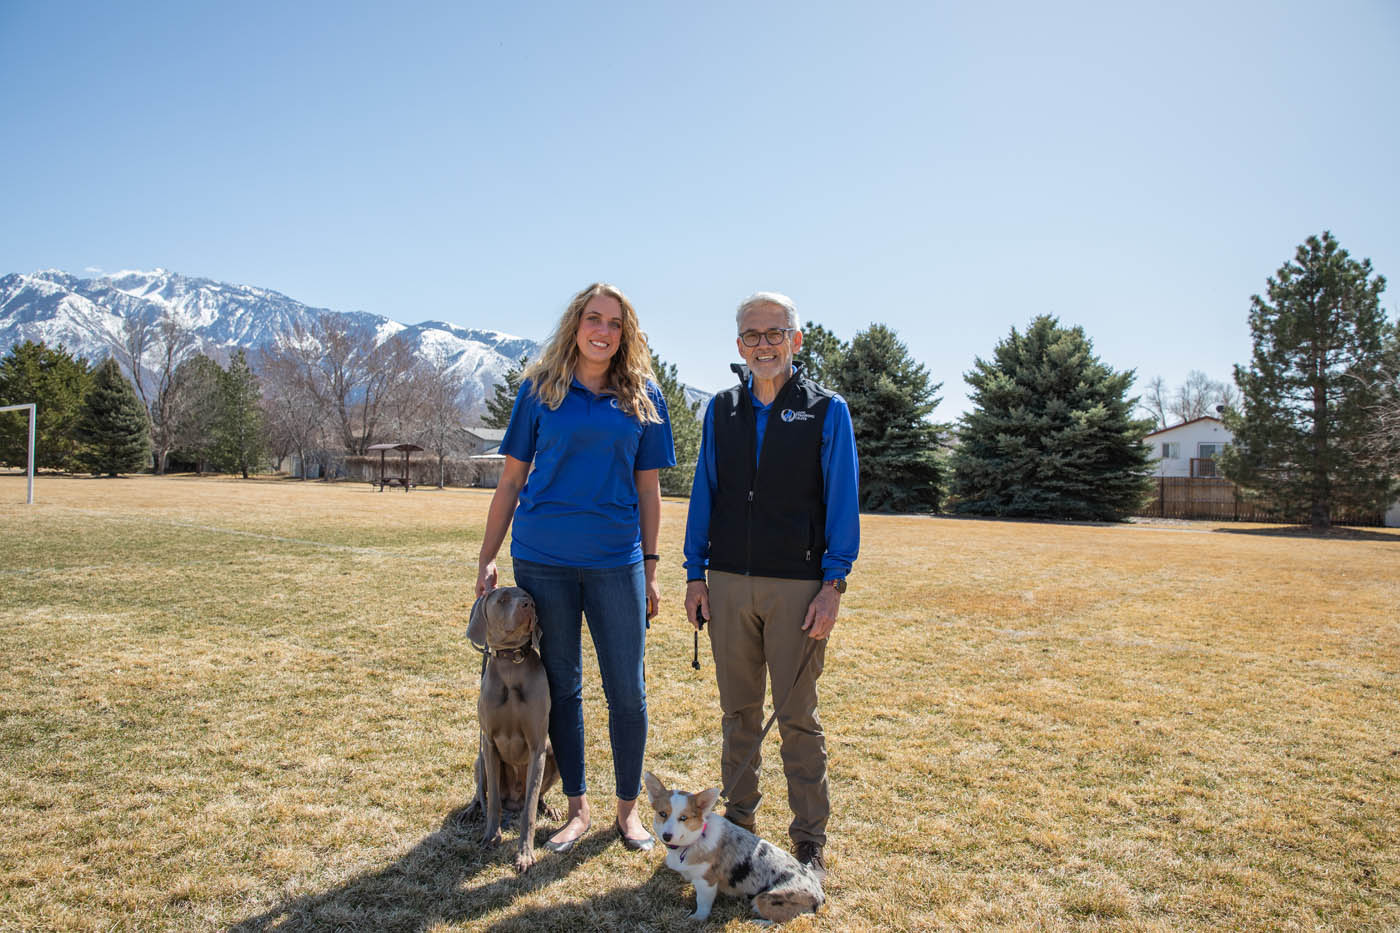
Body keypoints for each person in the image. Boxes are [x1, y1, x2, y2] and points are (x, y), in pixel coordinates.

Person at [476, 282, 675, 854]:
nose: (603, 331)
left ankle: (627, 813)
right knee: (562, 687)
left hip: (618, 562)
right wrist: (487, 557)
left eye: (615, 323)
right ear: (575, 325)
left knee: (628, 692)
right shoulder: (541, 390)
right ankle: (578, 809)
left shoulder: (643, 396)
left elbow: (649, 490)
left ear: (626, 334)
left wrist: (653, 567)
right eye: (594, 319)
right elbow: (511, 479)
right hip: (544, 559)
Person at [683, 291, 859, 878]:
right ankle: (737, 826)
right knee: (738, 714)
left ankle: (809, 840)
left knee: (797, 717)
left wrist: (833, 584)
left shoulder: (826, 410)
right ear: (739, 345)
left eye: (775, 333)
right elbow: (704, 493)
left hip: (799, 587)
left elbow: (841, 502)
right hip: (728, 582)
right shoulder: (721, 410)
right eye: (752, 335)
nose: (764, 344)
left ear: (796, 340)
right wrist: (694, 574)